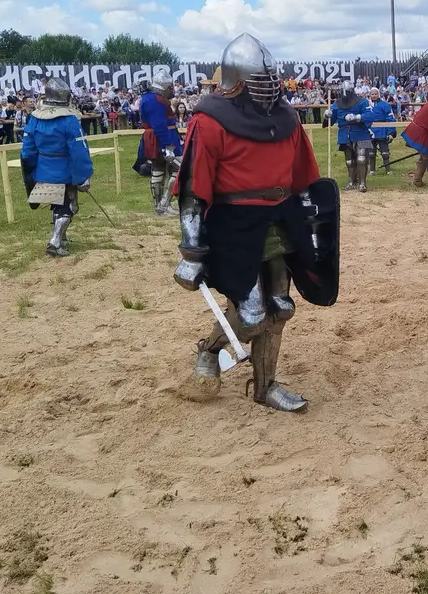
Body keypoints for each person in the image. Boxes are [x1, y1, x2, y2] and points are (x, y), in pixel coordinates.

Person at [173, 32, 339, 412]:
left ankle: (266, 388)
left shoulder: (287, 119)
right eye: (258, 83)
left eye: (271, 82)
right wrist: (192, 251)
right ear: (237, 83)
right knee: (250, 316)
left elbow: (304, 181)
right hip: (233, 224)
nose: (268, 90)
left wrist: (312, 225)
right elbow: (193, 190)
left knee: (280, 307)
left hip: (279, 221)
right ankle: (210, 350)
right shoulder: (209, 121)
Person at [19, 78, 94, 258]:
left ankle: (63, 237)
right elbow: (78, 150)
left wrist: (32, 167)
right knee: (69, 206)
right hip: (64, 170)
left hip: (44, 168)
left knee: (56, 203)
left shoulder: (35, 118)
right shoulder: (69, 120)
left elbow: (27, 148)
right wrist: (83, 174)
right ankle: (55, 240)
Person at [140, 72, 183, 215]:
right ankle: (164, 203)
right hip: (162, 139)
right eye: (170, 87)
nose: (172, 90)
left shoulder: (150, 98)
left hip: (157, 138)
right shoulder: (156, 100)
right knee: (179, 170)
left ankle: (159, 205)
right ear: (165, 87)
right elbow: (159, 125)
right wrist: (168, 145)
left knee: (158, 170)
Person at [329, 81, 375, 192]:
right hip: (344, 135)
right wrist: (327, 116)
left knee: (362, 159)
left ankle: (362, 184)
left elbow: (370, 115)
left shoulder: (362, 101)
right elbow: (330, 121)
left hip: (362, 133)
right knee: (349, 161)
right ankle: (351, 182)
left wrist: (356, 117)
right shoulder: (336, 104)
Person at [367, 87, 396, 176]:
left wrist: (391, 132)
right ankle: (372, 170)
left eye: (376, 94)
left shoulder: (385, 105)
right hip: (370, 131)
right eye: (372, 94)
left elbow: (390, 118)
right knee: (371, 153)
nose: (374, 96)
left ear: (378, 94)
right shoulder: (366, 105)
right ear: (370, 95)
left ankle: (388, 170)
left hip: (382, 130)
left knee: (385, 153)